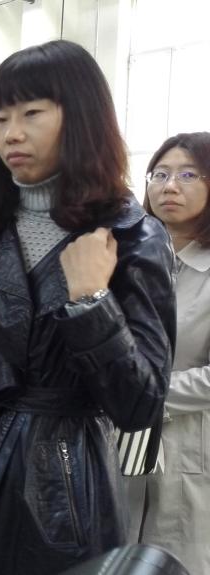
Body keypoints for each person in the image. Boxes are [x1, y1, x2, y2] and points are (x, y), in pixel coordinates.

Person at [0, 40, 175, 574]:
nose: (11, 134)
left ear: (82, 117)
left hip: (59, 484)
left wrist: (92, 302)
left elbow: (139, 406)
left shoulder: (133, 238)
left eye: (32, 113)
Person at [128, 132, 210, 573]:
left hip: (191, 448)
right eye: (159, 174)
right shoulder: (126, 261)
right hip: (120, 441)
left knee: (179, 559)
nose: (169, 186)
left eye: (187, 175)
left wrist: (143, 393)